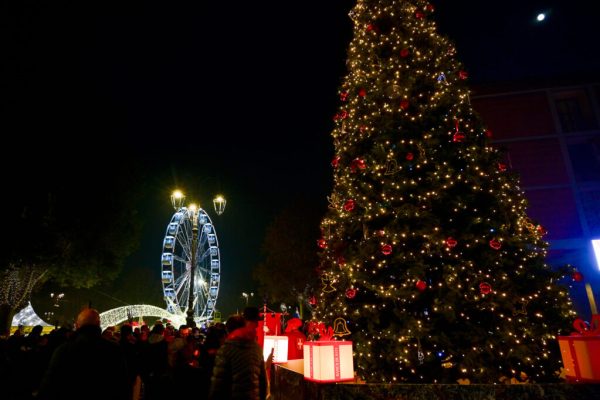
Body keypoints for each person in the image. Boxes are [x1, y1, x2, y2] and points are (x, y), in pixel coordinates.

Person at [38, 308, 130, 400]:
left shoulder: (63, 350)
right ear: (98, 324)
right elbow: (123, 385)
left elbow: (48, 386)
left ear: (77, 325)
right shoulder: (114, 350)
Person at [209, 313, 268, 400]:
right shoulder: (257, 349)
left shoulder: (225, 349)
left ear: (228, 330)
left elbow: (218, 384)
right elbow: (263, 381)